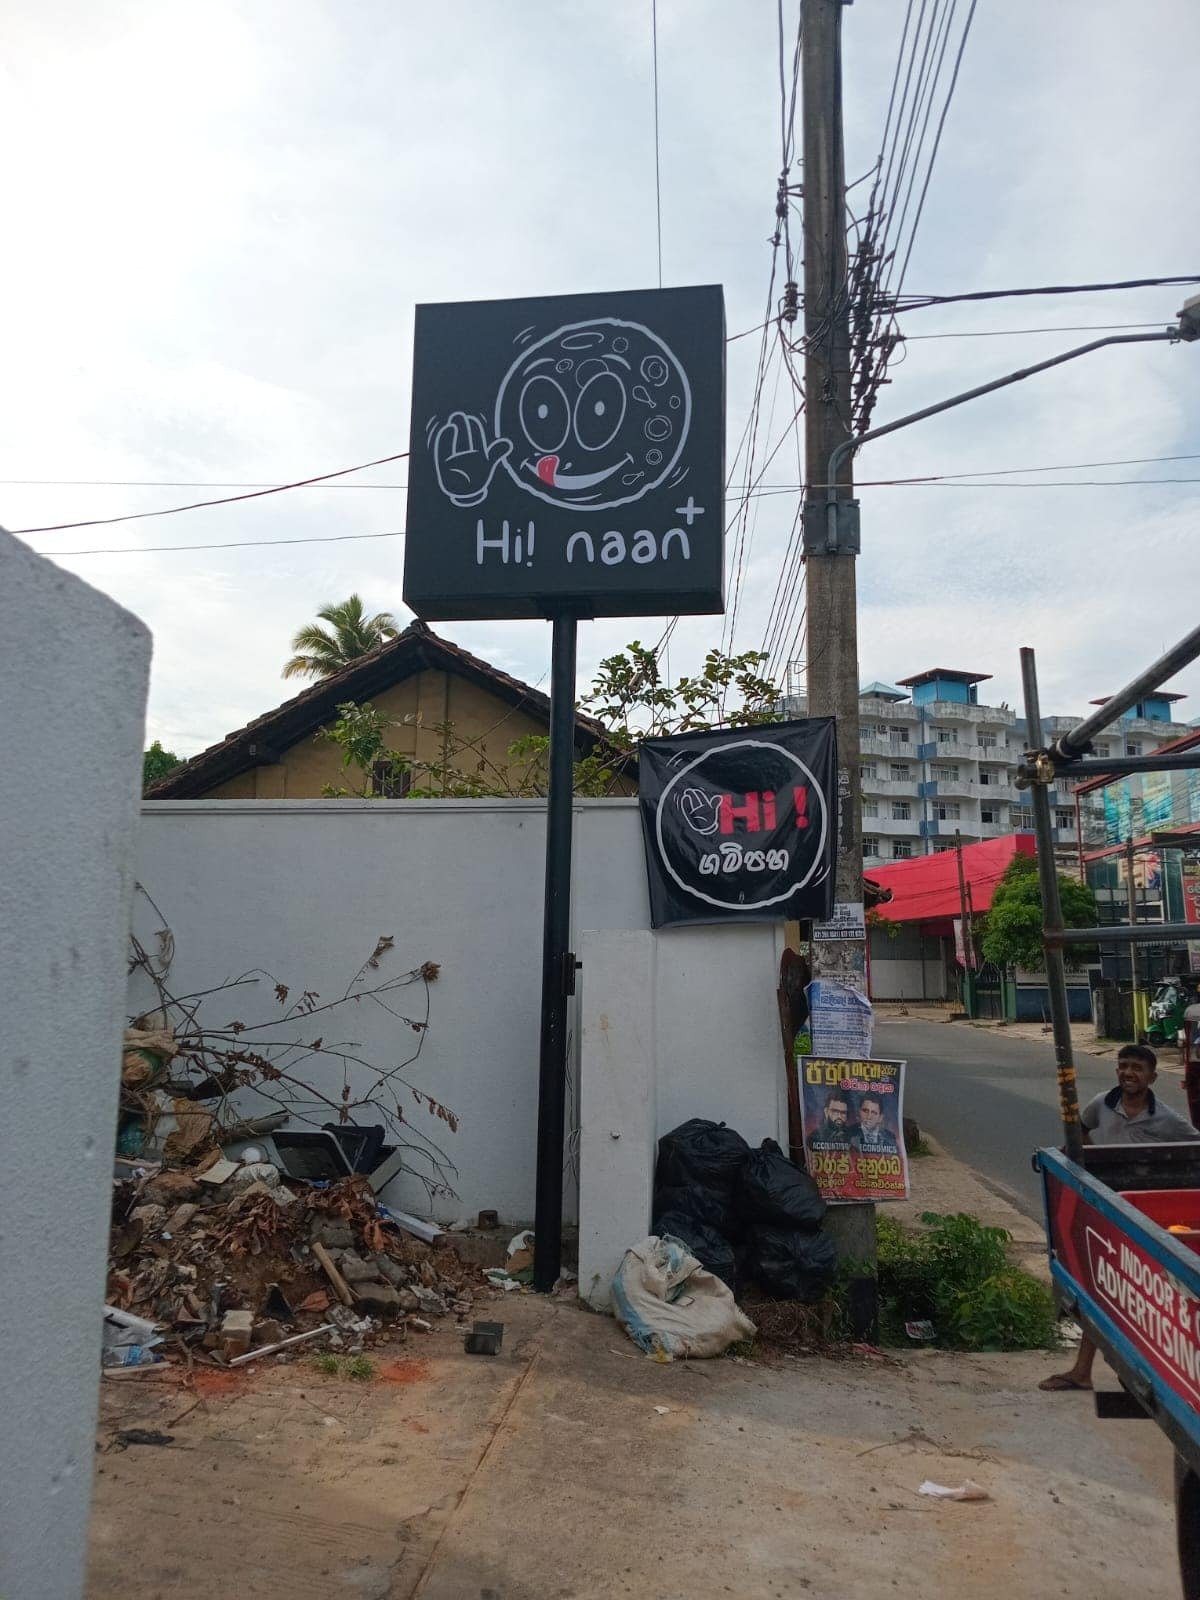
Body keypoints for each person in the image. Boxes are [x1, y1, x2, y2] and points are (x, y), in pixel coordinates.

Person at [1041, 1041, 1200, 1392]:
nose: (1129, 1073)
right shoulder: (1102, 1104)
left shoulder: (1167, 1120)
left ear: (1152, 1077)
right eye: (1124, 1066)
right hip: (1105, 1211)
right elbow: (1079, 1131)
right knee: (1099, 1288)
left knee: (1143, 1296)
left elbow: (1193, 1150)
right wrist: (1087, 1163)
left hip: (1145, 1221)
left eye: (1137, 1068)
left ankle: (1147, 1376)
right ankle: (1083, 1371)